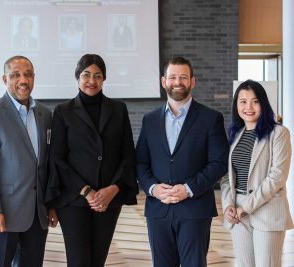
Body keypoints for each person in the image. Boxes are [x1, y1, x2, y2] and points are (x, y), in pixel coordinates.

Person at [136, 56, 229, 267]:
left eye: (183, 77)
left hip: (194, 210)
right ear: (163, 81)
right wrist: (152, 188)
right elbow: (140, 162)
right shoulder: (149, 120)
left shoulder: (211, 118)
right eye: (173, 77)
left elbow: (219, 163)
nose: (178, 82)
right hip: (158, 210)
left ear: (192, 81)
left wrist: (188, 189)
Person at [47, 54, 138, 266]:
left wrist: (113, 189)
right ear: (78, 77)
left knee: (98, 260)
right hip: (74, 200)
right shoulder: (63, 111)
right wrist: (87, 191)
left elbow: (127, 154)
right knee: (78, 261)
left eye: (98, 76)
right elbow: (57, 158)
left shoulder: (118, 109)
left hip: (109, 199)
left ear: (104, 79)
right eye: (86, 75)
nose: (92, 81)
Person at [0, 55, 57, 267]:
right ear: (4, 79)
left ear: (34, 78)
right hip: (2, 215)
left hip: (38, 215)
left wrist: (50, 205)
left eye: (28, 75)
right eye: (15, 75)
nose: (23, 80)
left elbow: (46, 166)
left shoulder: (45, 114)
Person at [220, 80, 293, 267]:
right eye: (243, 101)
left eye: (255, 101)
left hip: (266, 212)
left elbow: (277, 177)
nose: (248, 107)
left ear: (263, 103)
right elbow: (227, 177)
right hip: (238, 214)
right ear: (236, 105)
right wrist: (228, 204)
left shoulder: (279, 133)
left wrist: (246, 206)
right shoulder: (234, 135)